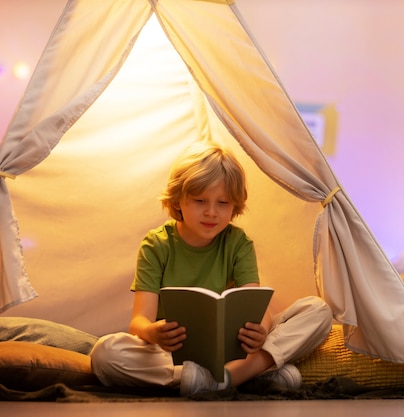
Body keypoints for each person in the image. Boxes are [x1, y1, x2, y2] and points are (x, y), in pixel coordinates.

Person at [90, 143, 333, 396]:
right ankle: (253, 373)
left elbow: (256, 306)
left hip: (234, 350)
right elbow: (139, 322)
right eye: (200, 200)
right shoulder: (156, 244)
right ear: (178, 200)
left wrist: (259, 332)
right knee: (105, 353)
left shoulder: (238, 243)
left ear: (234, 205)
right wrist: (154, 333)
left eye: (223, 202)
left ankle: (230, 375)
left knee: (318, 311)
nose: (211, 212)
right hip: (176, 353)